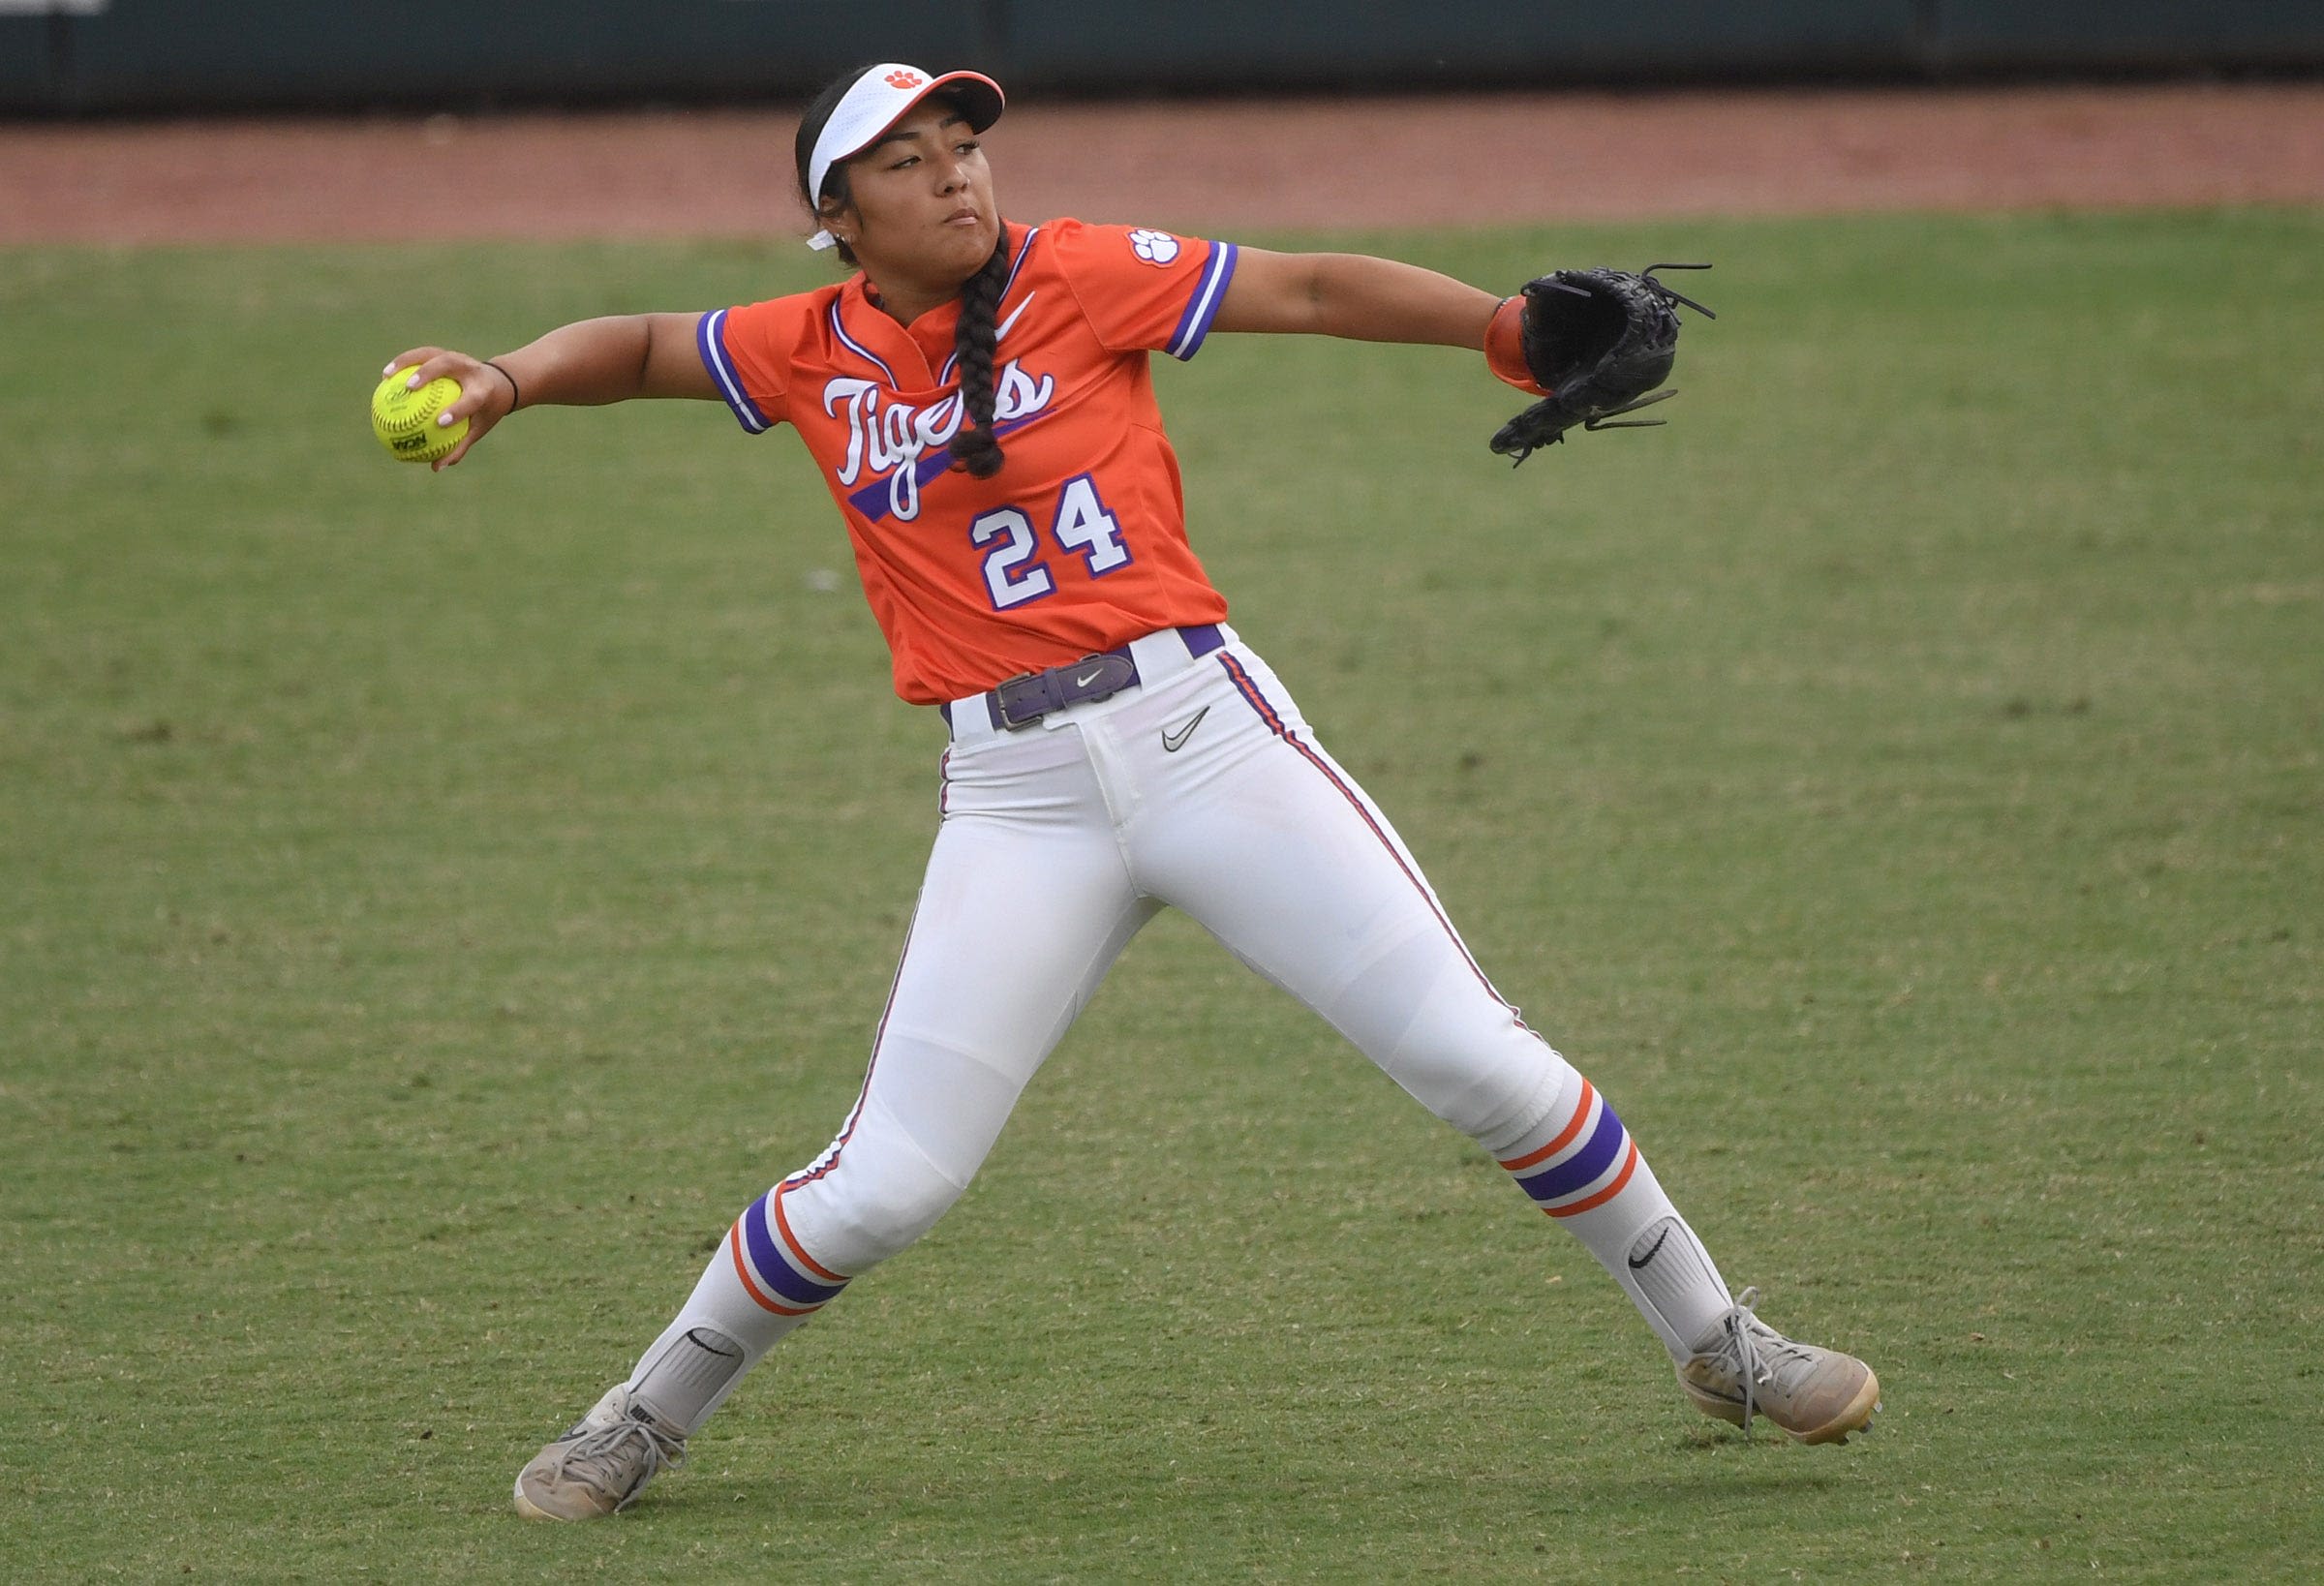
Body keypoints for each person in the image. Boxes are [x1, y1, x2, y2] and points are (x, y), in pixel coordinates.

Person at [384, 62, 1881, 1522]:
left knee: (1481, 1063)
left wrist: (1499, 326)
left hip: (1208, 740)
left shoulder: (1084, 271)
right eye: (906, 159)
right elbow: (649, 342)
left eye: (961, 140)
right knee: (883, 1185)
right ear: (836, 214)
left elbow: (1300, 288)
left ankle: (1721, 1343)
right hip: (1014, 799)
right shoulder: (803, 348)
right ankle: (639, 1416)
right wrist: (509, 379)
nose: (954, 169)